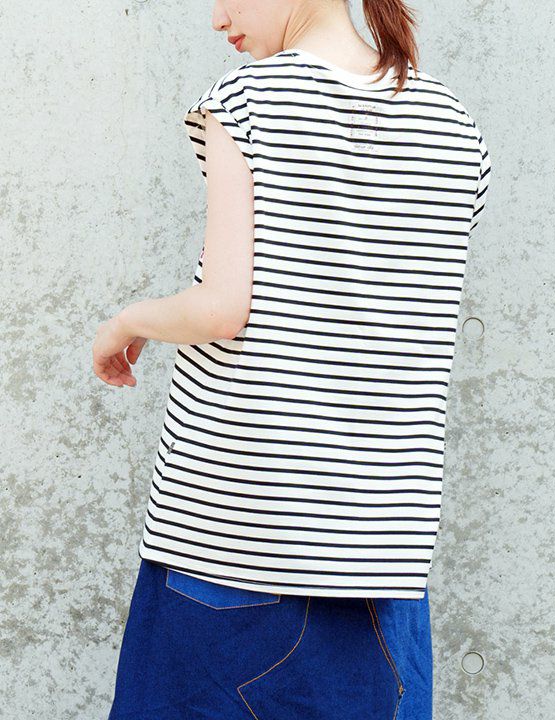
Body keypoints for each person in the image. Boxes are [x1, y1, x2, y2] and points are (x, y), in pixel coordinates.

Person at [94, 1, 492, 718]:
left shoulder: (248, 102)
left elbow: (222, 308)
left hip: (230, 549)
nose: (218, 18)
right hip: (379, 568)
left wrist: (126, 322)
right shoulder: (453, 124)